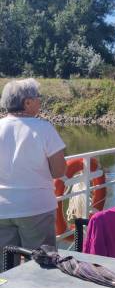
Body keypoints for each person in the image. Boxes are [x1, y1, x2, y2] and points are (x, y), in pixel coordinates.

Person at [0, 79, 66, 256]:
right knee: (40, 266)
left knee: (5, 267)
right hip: (36, 207)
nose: (40, 101)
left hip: (2, 209)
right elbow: (60, 170)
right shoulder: (44, 128)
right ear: (27, 102)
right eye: (38, 97)